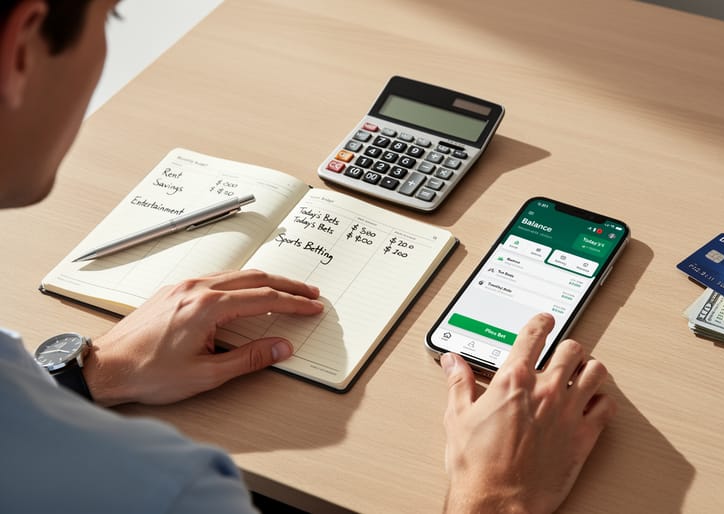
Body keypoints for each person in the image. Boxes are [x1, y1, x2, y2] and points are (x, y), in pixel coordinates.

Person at [0, 1, 617, 512]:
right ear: (22, 46)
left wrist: (90, 375)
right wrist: (496, 495)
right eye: (112, 19)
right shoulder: (172, 490)